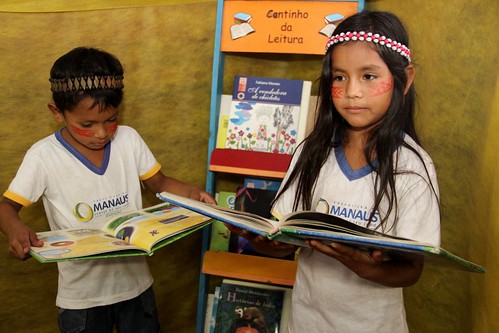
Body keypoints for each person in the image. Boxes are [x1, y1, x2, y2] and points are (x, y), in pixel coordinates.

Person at [226, 11, 441, 333]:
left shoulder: (412, 168)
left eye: (368, 76)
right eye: (340, 77)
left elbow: (411, 271)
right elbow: (288, 237)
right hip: (304, 322)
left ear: (405, 79)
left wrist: (362, 266)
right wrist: (264, 241)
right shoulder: (310, 153)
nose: (352, 91)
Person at [0, 47, 216, 333]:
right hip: (82, 300)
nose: (102, 133)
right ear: (57, 112)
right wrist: (15, 230)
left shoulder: (129, 140)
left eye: (111, 120)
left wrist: (193, 194)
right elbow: (5, 207)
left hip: (137, 288)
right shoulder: (43, 156)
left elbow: (161, 185)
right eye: (86, 125)